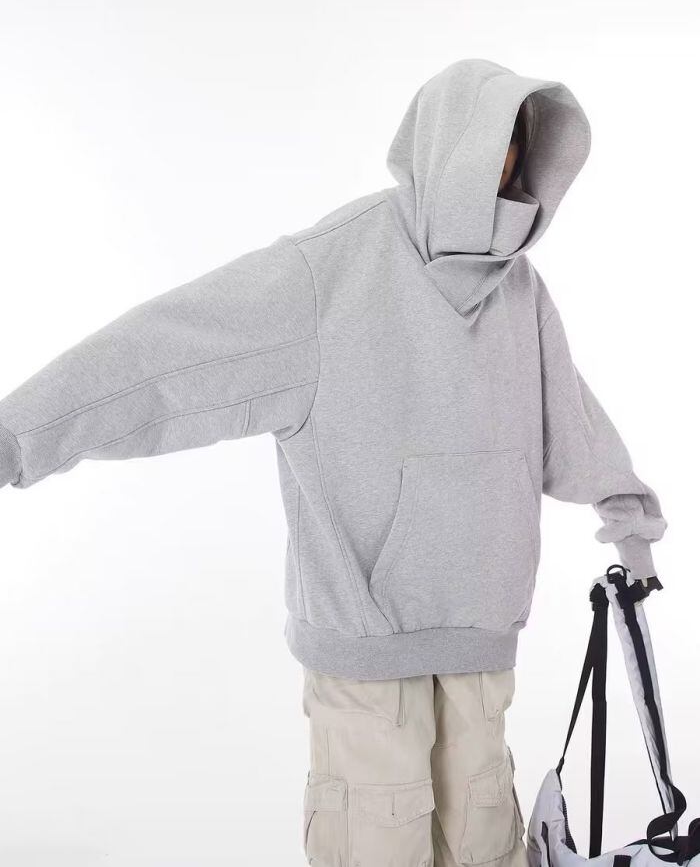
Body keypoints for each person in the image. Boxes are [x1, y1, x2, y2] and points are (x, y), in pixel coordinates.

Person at [0, 59, 667, 866]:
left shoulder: (521, 293)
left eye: (517, 149)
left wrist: (629, 521)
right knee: (376, 842)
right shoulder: (327, 274)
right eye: (491, 143)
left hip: (482, 643)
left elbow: (571, 421)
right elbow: (169, 356)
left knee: (487, 845)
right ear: (444, 145)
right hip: (367, 650)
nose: (505, 167)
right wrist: (18, 435)